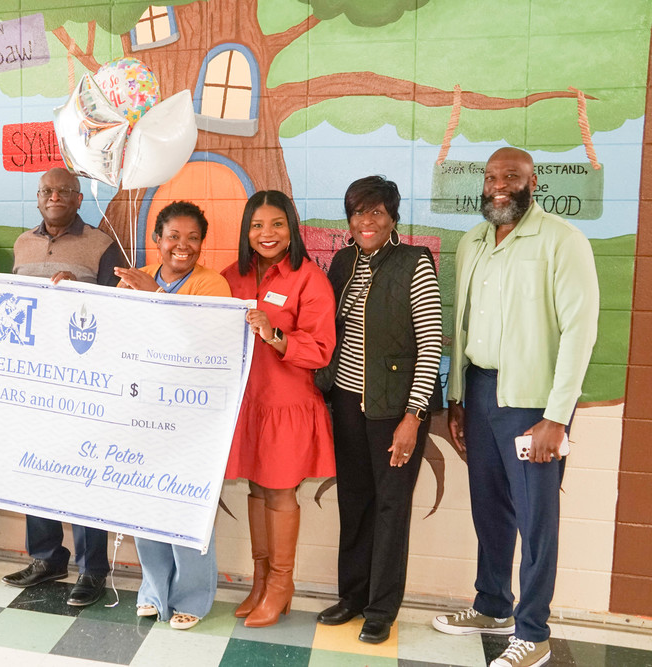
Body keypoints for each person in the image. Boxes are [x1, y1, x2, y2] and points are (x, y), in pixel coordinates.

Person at [431, 148, 599, 667]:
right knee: (489, 507)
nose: (499, 185)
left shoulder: (563, 241)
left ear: (533, 182)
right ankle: (492, 606)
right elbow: (461, 323)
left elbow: (580, 333)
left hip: (532, 404)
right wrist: (457, 398)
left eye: (511, 176)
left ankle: (533, 633)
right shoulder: (473, 241)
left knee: (536, 519)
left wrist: (556, 416)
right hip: (480, 392)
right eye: (491, 177)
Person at [316, 176, 442, 644]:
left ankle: (381, 609)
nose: (366, 221)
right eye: (358, 212)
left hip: (395, 409)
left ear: (392, 217)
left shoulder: (414, 262)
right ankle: (352, 596)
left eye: (376, 212)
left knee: (391, 508)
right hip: (347, 403)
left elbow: (430, 344)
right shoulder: (343, 261)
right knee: (355, 501)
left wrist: (414, 416)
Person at [1, 167, 127, 607]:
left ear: (78, 199)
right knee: (35, 465)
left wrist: (81, 295)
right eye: (47, 191)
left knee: (84, 474)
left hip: (82, 381)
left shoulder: (102, 245)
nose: (54, 197)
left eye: (64, 191)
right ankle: (47, 558)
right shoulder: (22, 243)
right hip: (32, 378)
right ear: (38, 198)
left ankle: (93, 569)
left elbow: (119, 311)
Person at [222, 190, 336, 628]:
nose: (266, 234)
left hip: (287, 405)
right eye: (256, 225)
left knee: (280, 491)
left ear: (292, 229)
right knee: (256, 489)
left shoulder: (309, 278)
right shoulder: (231, 276)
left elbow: (322, 348)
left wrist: (275, 336)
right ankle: (261, 581)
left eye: (276, 224)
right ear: (246, 231)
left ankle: (281, 584)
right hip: (247, 403)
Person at [115, 201, 231, 630]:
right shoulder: (135, 278)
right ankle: (153, 591)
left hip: (193, 417)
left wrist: (156, 295)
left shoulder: (211, 284)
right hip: (142, 409)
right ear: (156, 240)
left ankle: (192, 598)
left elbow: (203, 344)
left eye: (193, 238)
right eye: (173, 237)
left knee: (186, 506)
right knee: (145, 503)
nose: (183, 246)